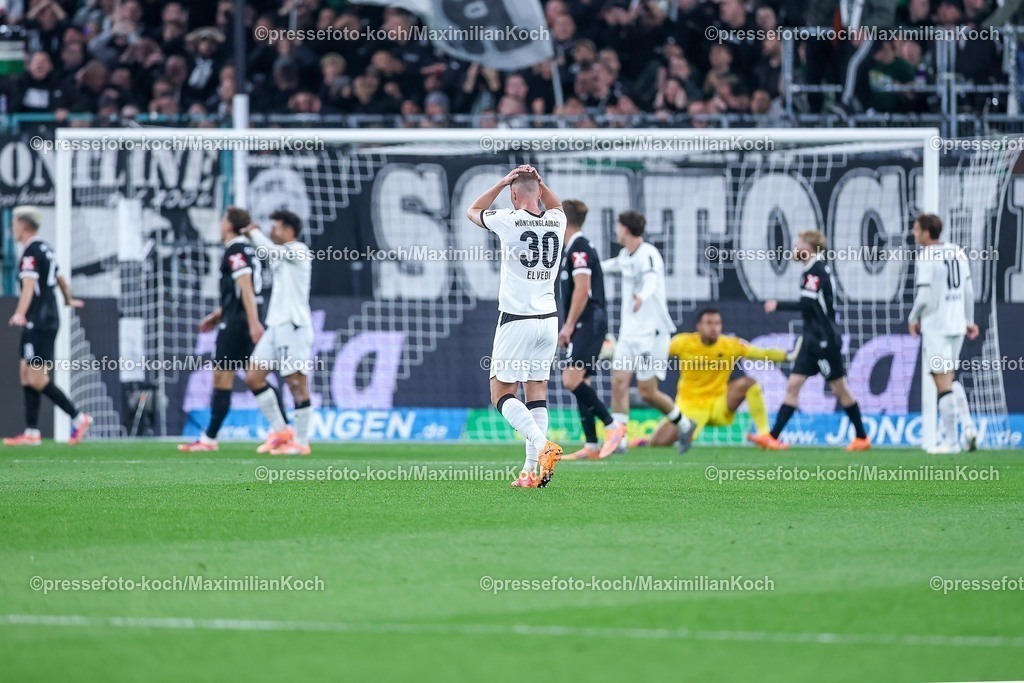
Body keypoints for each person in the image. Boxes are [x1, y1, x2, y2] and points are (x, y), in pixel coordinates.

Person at [466, 165, 565, 488]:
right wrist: (539, 181)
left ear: (512, 193)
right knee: (536, 392)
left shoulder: (508, 219)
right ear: (539, 192)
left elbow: (473, 211)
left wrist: (502, 181)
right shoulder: (557, 220)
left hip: (517, 319)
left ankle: (542, 445)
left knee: (500, 393)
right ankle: (529, 471)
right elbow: (558, 205)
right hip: (548, 319)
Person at [752, 230, 870, 451]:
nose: (794, 249)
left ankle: (862, 437)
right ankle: (773, 437)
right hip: (811, 340)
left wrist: (778, 305)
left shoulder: (815, 271)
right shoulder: (811, 270)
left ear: (808, 247)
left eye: (797, 244)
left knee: (839, 388)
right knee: (793, 385)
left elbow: (807, 305)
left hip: (825, 340)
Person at [603, 211, 696, 453]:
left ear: (625, 229)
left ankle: (685, 425)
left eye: (618, 226)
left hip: (652, 334)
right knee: (619, 383)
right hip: (629, 334)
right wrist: (579, 265)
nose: (617, 231)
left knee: (648, 392)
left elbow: (651, 280)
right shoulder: (625, 256)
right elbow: (609, 266)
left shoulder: (649, 254)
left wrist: (641, 297)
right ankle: (618, 440)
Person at [631, 308, 792, 448]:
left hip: (719, 404)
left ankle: (765, 435)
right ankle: (646, 440)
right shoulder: (684, 342)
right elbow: (656, 352)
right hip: (690, 407)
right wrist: (627, 353)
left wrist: (787, 356)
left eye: (717, 323)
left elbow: (761, 353)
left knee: (749, 384)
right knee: (659, 444)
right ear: (698, 326)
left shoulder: (730, 345)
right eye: (709, 323)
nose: (714, 327)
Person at [179, 207, 265, 452]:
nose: (219, 224)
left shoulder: (235, 250)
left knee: (226, 377)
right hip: (236, 318)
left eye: (222, 220)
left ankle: (209, 440)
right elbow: (239, 292)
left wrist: (253, 322)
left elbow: (245, 287)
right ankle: (283, 431)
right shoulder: (246, 249)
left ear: (228, 225)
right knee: (254, 378)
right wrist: (219, 314)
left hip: (238, 324)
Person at [4, 206, 91, 446]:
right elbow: (61, 278)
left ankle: (78, 417)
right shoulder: (46, 248)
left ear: (23, 225)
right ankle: (32, 432)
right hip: (46, 316)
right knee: (25, 373)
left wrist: (20, 313)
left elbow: (30, 285)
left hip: (39, 319)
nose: (12, 229)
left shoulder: (31, 252)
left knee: (36, 377)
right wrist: (67, 299)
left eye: (14, 224)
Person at [557, 199, 626, 460]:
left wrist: (569, 325)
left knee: (570, 380)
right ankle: (592, 446)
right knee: (581, 382)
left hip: (588, 323)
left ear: (563, 219)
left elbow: (583, 290)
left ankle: (613, 426)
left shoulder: (580, 249)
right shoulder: (574, 248)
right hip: (586, 324)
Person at [242, 209, 315, 456]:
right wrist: (251, 235)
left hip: (294, 325)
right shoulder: (281, 254)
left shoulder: (299, 250)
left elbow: (270, 250)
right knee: (253, 376)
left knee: (296, 381)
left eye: (276, 226)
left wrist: (254, 233)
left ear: (289, 230)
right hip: (276, 326)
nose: (272, 231)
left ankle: (302, 443)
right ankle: (282, 430)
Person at [908, 213, 979, 453]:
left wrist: (913, 316)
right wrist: (969, 320)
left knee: (942, 383)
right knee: (949, 378)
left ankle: (950, 442)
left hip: (936, 326)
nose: (913, 233)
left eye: (916, 230)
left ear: (928, 233)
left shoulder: (927, 256)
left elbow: (925, 295)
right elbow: (969, 291)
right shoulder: (957, 251)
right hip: (957, 324)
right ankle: (968, 428)